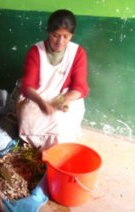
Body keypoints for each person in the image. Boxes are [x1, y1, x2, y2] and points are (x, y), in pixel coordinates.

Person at [17, 9, 89, 150]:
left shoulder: (78, 52)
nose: (60, 41)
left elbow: (80, 86)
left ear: (71, 35)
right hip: (39, 96)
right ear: (48, 32)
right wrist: (42, 104)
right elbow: (27, 86)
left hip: (65, 96)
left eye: (66, 36)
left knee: (61, 122)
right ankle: (38, 144)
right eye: (56, 35)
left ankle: (56, 147)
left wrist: (64, 100)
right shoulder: (36, 51)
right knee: (28, 118)